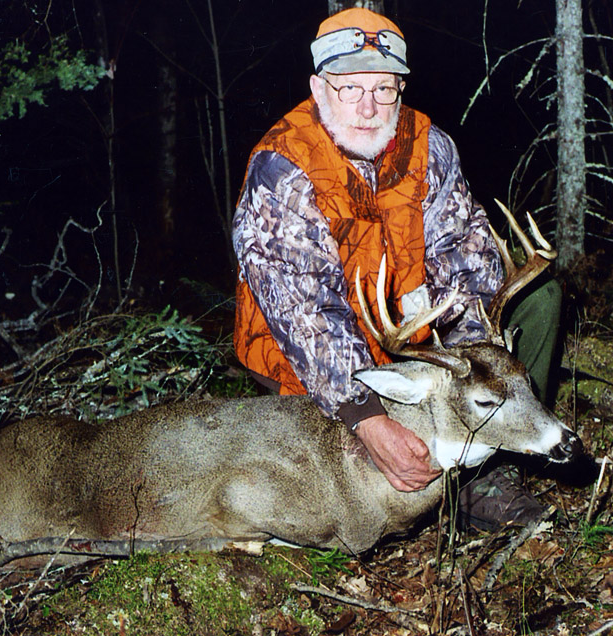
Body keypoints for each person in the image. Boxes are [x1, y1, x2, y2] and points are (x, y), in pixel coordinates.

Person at [232, 9, 560, 526]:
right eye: (349, 88)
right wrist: (366, 414)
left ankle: (482, 468)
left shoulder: (430, 148)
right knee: (356, 491)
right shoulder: (283, 166)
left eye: (382, 89)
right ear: (319, 89)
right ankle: (441, 469)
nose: (366, 107)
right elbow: (306, 313)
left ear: (400, 88)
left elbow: (465, 256)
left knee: (538, 302)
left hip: (415, 344)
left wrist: (472, 361)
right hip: (308, 363)